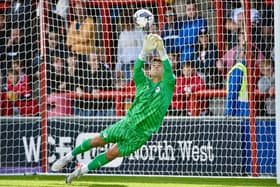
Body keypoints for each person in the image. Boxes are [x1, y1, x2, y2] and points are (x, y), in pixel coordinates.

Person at [51, 34, 175, 183]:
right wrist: (143, 51)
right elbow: (137, 69)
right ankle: (68, 157)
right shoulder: (143, 83)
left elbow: (168, 70)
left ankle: (81, 171)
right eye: (153, 64)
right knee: (97, 141)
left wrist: (161, 50)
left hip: (140, 135)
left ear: (163, 70)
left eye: (158, 64)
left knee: (111, 154)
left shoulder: (167, 86)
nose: (155, 65)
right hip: (126, 124)